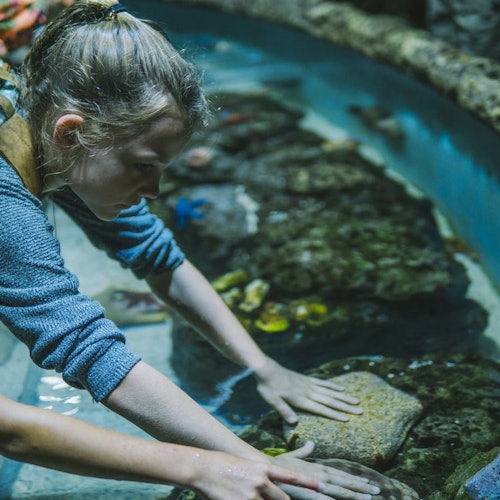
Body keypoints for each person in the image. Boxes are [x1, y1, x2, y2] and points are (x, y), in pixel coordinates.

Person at [0, 1, 381, 498]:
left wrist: (263, 367)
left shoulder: (35, 123)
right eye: (142, 166)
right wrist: (214, 466)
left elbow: (155, 254)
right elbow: (42, 392)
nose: (155, 192)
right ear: (71, 131)